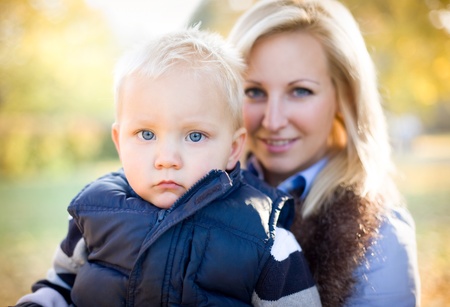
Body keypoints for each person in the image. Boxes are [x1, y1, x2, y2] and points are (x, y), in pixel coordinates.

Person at [15, 27, 321, 306]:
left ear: (232, 149)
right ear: (120, 141)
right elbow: (60, 286)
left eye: (195, 136)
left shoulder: (266, 241)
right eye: (146, 134)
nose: (167, 158)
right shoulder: (94, 212)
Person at [228, 0, 420, 306]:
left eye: (300, 91)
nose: (273, 121)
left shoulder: (379, 234)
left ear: (344, 97)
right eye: (254, 91)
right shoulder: (197, 193)